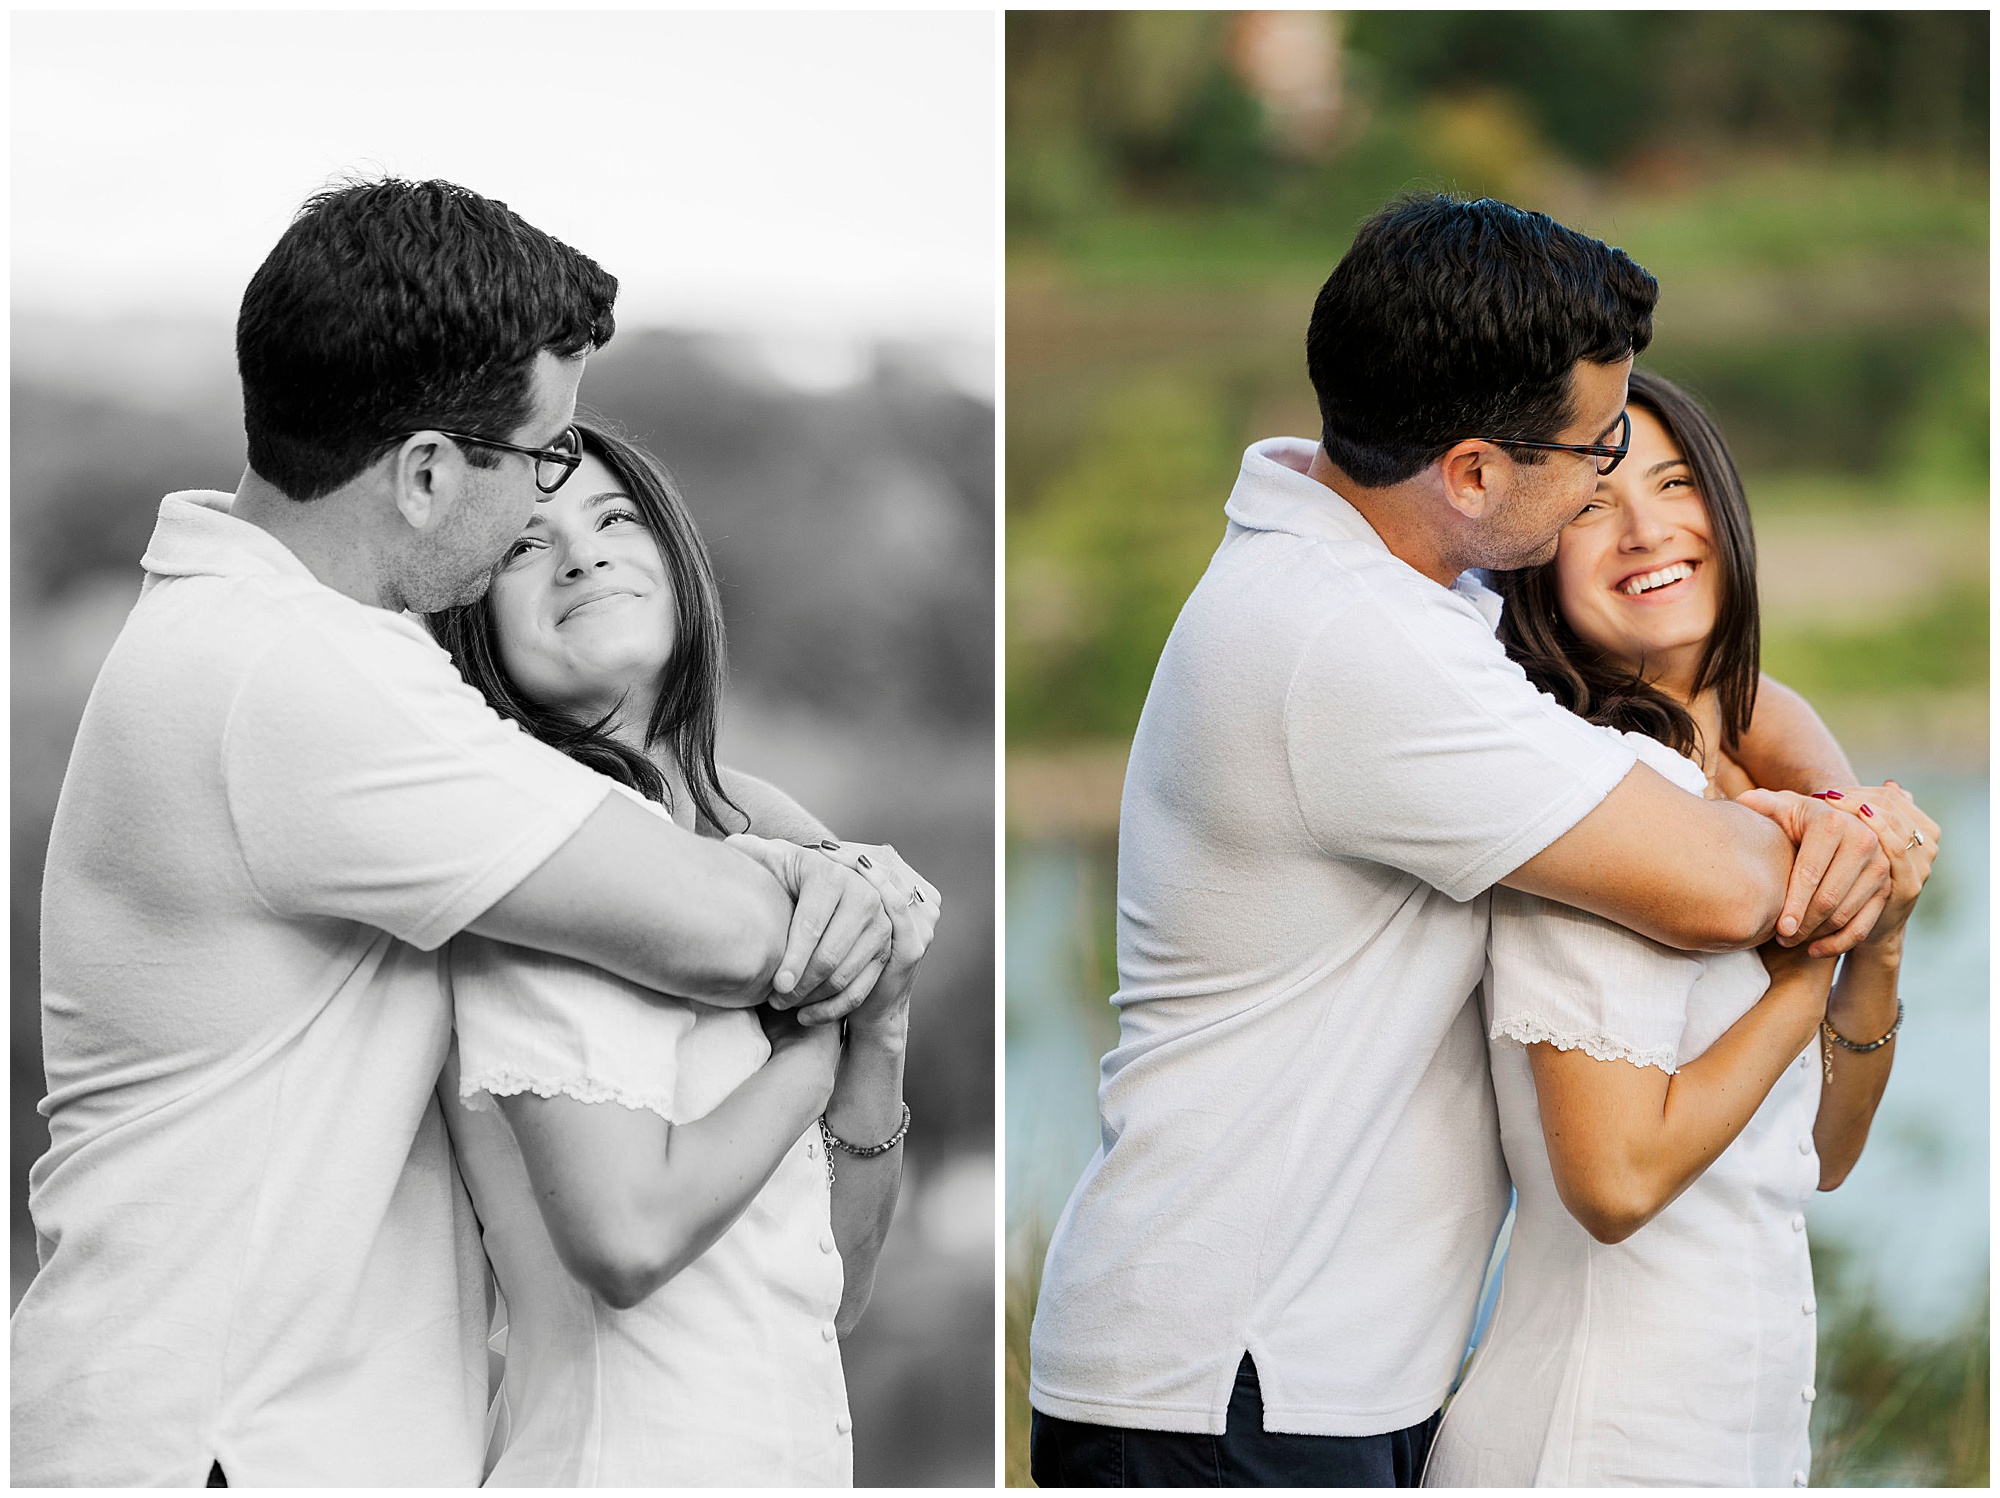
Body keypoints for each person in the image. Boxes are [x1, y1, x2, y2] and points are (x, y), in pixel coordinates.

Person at [15, 178, 892, 1486]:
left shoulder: (265, 637)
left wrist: (807, 853)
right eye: (541, 460)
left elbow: (667, 816)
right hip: (219, 1448)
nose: (555, 493)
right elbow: (720, 929)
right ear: (426, 472)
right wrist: (856, 902)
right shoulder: (298, 678)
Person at [1026, 196, 1893, 1487]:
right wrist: (1850, 862)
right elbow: (1718, 887)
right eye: (1597, 454)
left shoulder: (1395, 560)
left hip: (1305, 1365)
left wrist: (1837, 804)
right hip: (1229, 1380)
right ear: (1477, 472)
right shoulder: (1352, 644)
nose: (1615, 483)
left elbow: (1688, 674)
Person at [1423, 370, 1935, 1487]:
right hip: (1594, 1448)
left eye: (1673, 481)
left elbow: (1819, 1155)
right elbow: (1609, 1181)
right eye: (1597, 502)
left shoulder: (1750, 783)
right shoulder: (1589, 815)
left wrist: (1877, 941)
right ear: (1536, 553)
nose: (1648, 526)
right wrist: (1808, 968)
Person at [423, 424, 941, 1485]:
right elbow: (624, 1236)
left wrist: (879, 1020)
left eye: (616, 520)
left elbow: (830, 1290)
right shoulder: (543, 865)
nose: (583, 555)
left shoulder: (742, 845)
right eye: (526, 545)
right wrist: (811, 1040)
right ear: (473, 614)